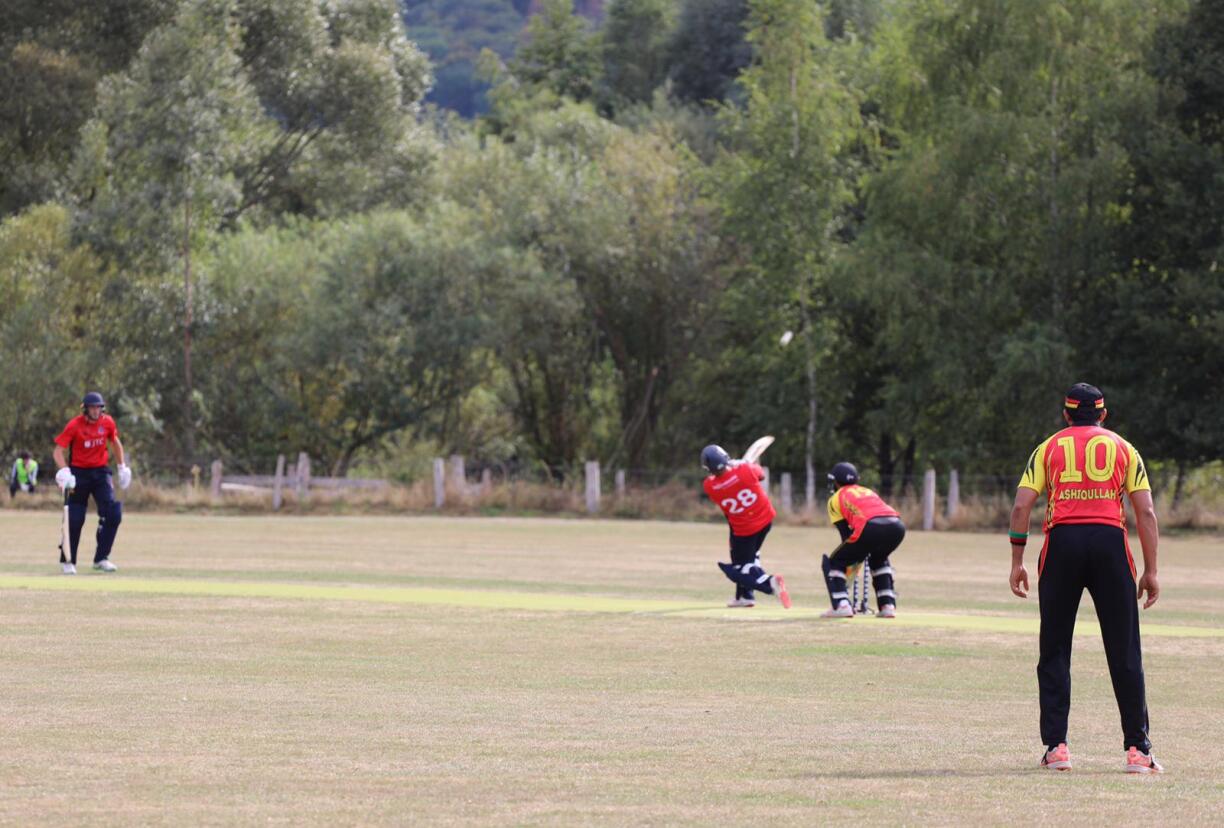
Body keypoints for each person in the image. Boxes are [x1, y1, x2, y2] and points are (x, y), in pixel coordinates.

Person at [1009, 383, 1162, 774]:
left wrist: (1017, 560)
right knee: (1124, 648)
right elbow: (1145, 513)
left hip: (1062, 543)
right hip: (1110, 543)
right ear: (1103, 415)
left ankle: (1057, 748)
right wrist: (1151, 570)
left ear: (1066, 415)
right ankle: (1138, 752)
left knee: (1055, 648)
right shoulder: (1124, 448)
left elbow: (1022, 505)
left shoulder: (1048, 447)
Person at [701, 445, 790, 609]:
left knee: (741, 568)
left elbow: (718, 479)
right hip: (765, 520)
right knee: (751, 556)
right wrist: (739, 464)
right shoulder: (745, 469)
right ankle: (744, 596)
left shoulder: (710, 486)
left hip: (743, 530)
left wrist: (735, 466)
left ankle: (769, 582)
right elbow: (761, 475)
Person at [52, 392, 132, 575]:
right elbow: (58, 451)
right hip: (78, 473)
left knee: (113, 513)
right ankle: (68, 561)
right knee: (74, 517)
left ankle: (101, 558)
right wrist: (65, 470)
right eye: (92, 407)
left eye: (98, 407)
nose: (96, 411)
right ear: (85, 409)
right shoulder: (74, 425)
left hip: (100, 472)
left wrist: (122, 467)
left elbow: (115, 442)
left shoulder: (108, 422)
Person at [819, 462, 905, 618]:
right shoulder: (867, 490)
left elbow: (846, 536)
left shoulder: (835, 498)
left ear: (836, 481)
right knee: (879, 558)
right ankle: (888, 605)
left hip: (870, 526)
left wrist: (852, 565)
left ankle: (841, 605)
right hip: (897, 526)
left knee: (834, 562)